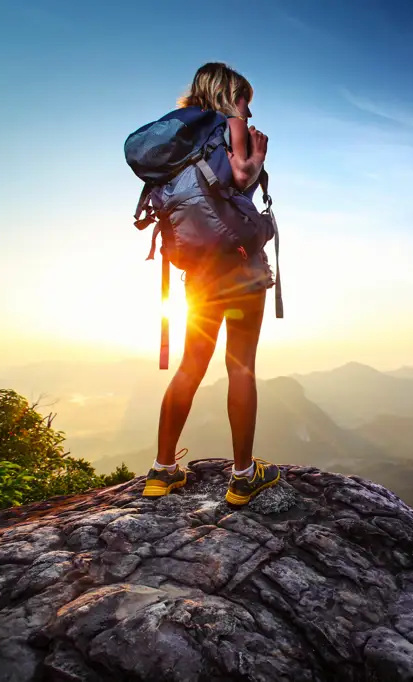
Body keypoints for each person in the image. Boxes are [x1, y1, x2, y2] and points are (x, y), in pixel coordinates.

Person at [141, 62, 280, 505]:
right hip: (240, 270)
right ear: (230, 94)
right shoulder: (230, 123)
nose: (249, 114)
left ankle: (162, 472)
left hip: (198, 272)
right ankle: (242, 477)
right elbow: (240, 178)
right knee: (240, 366)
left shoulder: (178, 140)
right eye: (246, 102)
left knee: (191, 365)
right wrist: (256, 160)